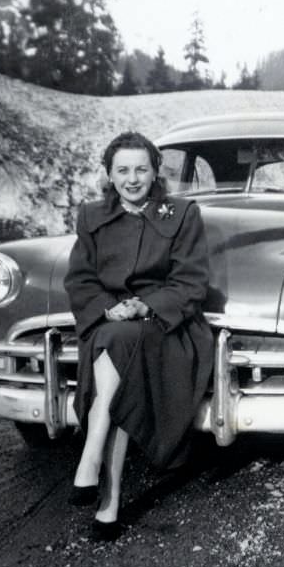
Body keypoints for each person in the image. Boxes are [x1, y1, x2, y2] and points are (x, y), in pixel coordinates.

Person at [64, 131, 213, 539]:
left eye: (141, 170)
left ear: (155, 172)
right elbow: (80, 281)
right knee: (117, 344)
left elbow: (191, 283)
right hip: (111, 325)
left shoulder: (181, 214)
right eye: (123, 170)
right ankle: (105, 504)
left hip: (169, 329)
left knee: (119, 345)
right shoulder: (92, 217)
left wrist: (147, 306)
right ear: (109, 175)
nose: (133, 179)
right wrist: (107, 308)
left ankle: (90, 461)